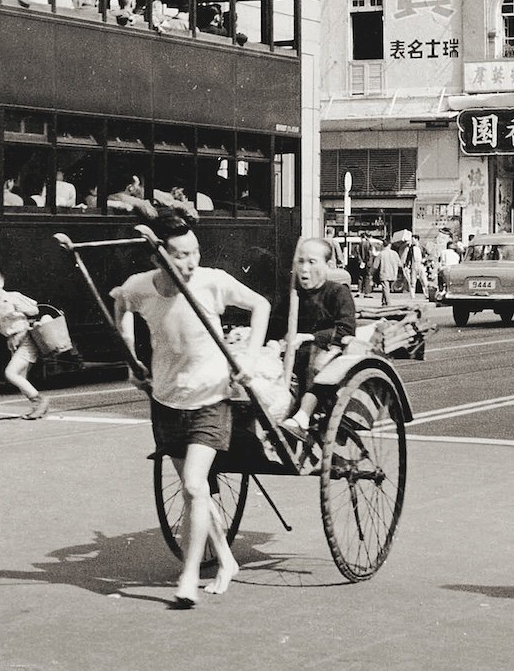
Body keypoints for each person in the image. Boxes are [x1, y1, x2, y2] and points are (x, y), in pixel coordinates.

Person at [112, 214, 270, 608]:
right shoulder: (141, 287)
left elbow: (260, 305)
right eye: (180, 254)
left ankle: (187, 578)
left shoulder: (211, 281)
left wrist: (248, 358)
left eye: (194, 252)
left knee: (195, 487)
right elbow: (120, 304)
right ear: (159, 256)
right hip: (166, 403)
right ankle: (227, 560)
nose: (190, 261)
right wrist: (132, 361)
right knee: (195, 492)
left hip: (210, 400)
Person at [270, 238, 357, 440]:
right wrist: (275, 342)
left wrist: (309, 337)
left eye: (312, 262)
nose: (304, 268)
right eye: (300, 262)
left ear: (327, 266)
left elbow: (346, 329)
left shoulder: (337, 292)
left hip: (327, 354)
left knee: (312, 360)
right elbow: (275, 327)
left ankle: (303, 416)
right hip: (291, 353)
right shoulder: (292, 295)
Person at [0, 267, 49, 420]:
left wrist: (19, 308)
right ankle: (37, 407)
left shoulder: (13, 297)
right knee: (21, 379)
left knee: (10, 373)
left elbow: (34, 310)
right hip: (12, 343)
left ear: (0, 282)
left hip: (26, 338)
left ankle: (40, 400)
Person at [375, 241, 402, 306]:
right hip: (393, 273)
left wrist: (372, 274)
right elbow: (400, 264)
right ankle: (383, 302)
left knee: (385, 288)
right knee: (387, 288)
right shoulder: (395, 253)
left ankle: (388, 302)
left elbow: (375, 265)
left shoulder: (381, 254)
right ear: (389, 245)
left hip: (384, 273)